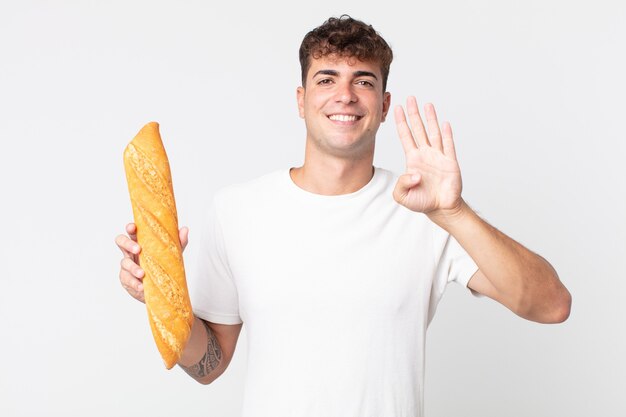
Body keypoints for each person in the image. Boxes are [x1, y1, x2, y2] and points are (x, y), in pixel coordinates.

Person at [116, 15, 571, 417]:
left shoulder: (427, 211)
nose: (346, 95)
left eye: (364, 81)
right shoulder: (236, 210)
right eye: (327, 78)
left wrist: (454, 212)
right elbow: (207, 365)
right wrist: (160, 295)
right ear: (301, 99)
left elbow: (551, 306)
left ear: (384, 105)